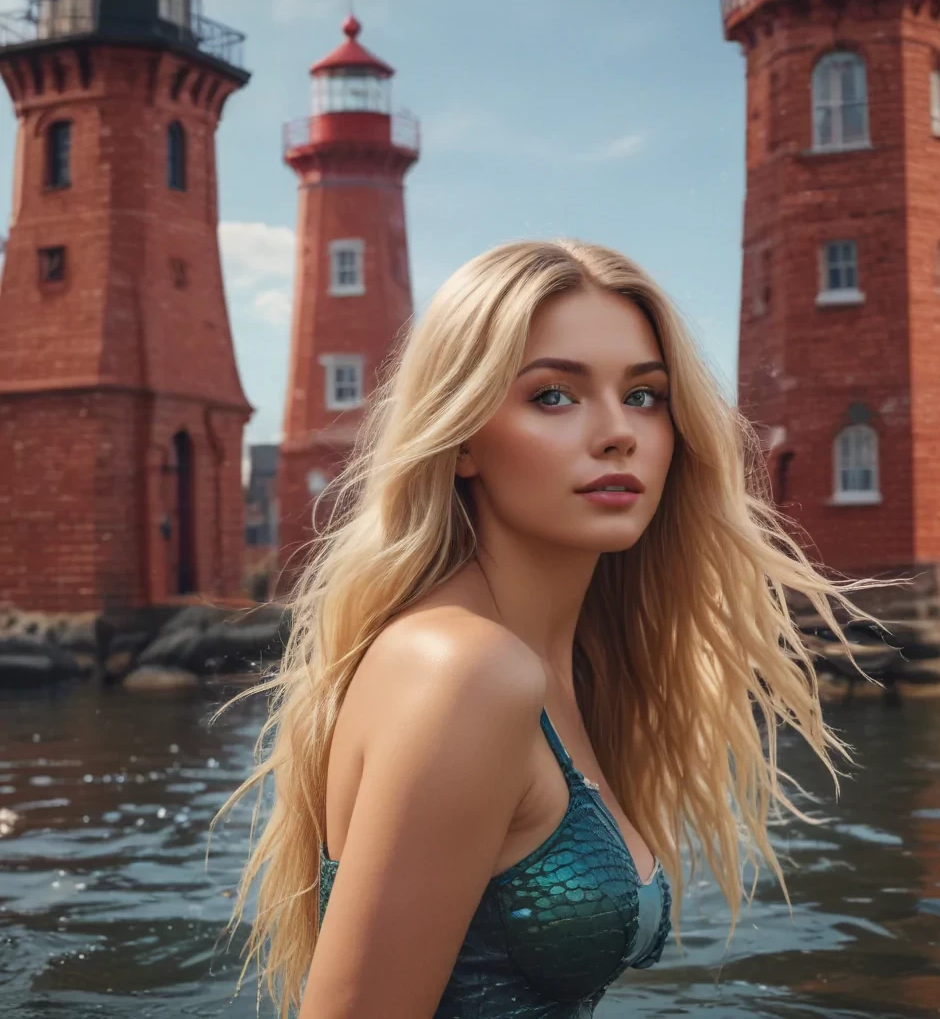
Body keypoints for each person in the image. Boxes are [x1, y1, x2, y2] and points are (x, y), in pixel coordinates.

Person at [211, 238, 896, 1018]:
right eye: (554, 397)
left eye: (644, 396)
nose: (618, 432)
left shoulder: (569, 663)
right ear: (462, 436)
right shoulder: (462, 670)